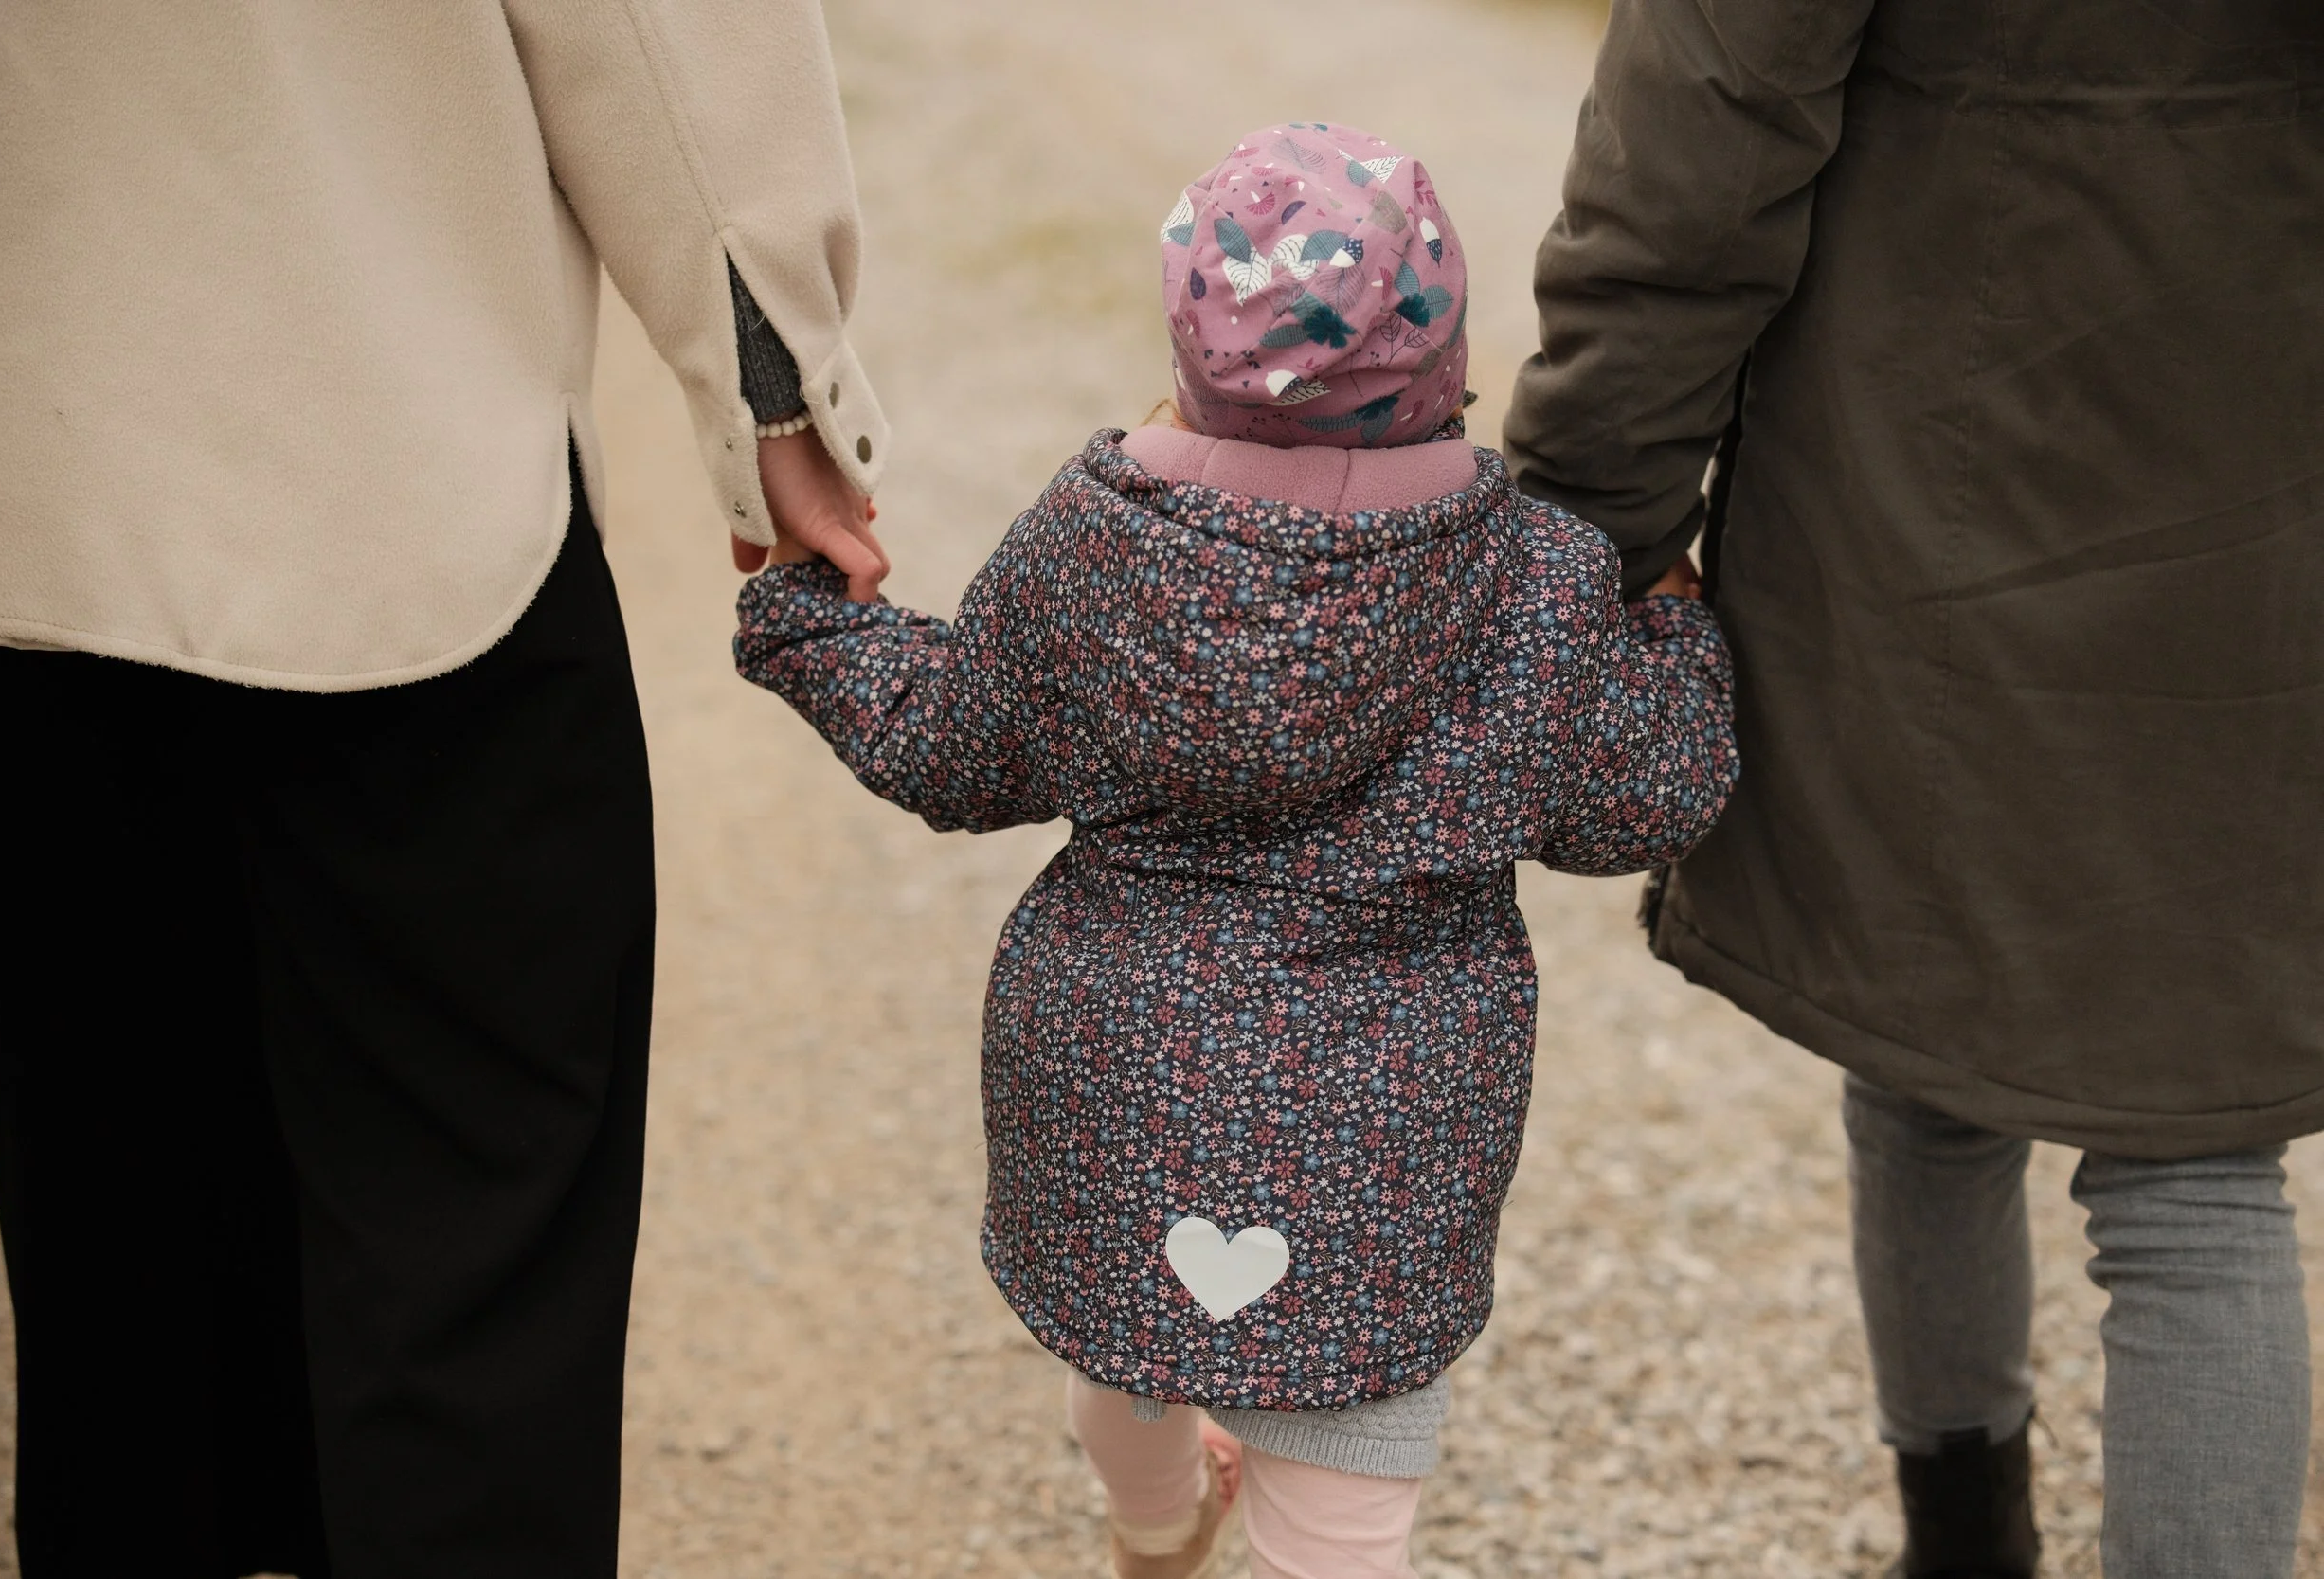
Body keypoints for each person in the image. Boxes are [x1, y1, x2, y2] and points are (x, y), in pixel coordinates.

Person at [731, 122, 1737, 1579]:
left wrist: (809, 621)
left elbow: (949, 744)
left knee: (1125, 1351)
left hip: (1112, 1075)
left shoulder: (1092, 546)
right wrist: (1675, 622)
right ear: (1449, 353)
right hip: (1392, 1124)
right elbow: (1652, 794)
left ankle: (1152, 1525)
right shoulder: (1541, 579)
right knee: (1347, 1486)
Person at [0, 5, 886, 1574]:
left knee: (118, 1281)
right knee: (469, 1285)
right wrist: (774, 384)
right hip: (402, 488)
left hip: (18, 526)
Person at [1504, 2, 2324, 1574]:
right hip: (2264, 509)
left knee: (1939, 1047)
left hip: (1918, 497)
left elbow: (1702, 135)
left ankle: (1965, 1550)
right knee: (2195, 1158)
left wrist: (1596, 508)